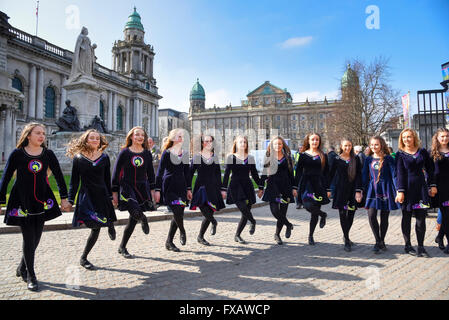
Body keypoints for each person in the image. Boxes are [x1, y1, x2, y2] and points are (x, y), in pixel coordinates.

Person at [0, 123, 70, 292]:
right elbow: (6, 177)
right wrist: (0, 199)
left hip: (42, 199)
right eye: (38, 133)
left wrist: (64, 198)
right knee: (28, 237)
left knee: (36, 237)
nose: (41, 136)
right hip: (21, 200)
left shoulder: (48, 154)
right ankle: (31, 275)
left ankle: (22, 267)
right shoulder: (17, 154)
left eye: (43, 134)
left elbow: (60, 176)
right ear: (28, 135)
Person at [66, 129, 117, 270]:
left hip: (102, 194)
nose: (95, 140)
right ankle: (108, 223)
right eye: (92, 138)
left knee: (96, 228)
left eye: (97, 138)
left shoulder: (105, 157)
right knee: (94, 224)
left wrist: (111, 195)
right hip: (87, 196)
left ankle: (84, 257)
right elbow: (74, 182)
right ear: (86, 140)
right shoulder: (78, 158)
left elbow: (107, 179)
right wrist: (70, 200)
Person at [112, 127, 155, 258]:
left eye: (143, 135)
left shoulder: (147, 153)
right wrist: (114, 192)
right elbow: (116, 172)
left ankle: (122, 247)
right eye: (137, 135)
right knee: (136, 213)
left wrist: (153, 190)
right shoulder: (124, 152)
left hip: (141, 188)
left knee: (132, 220)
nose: (140, 137)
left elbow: (151, 173)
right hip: (127, 188)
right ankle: (144, 218)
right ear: (131, 136)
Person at [395, 128, 436, 258]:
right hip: (406, 189)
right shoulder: (400, 154)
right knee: (406, 218)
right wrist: (400, 191)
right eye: (404, 137)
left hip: (421, 190)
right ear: (402, 139)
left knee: (420, 219)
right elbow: (399, 174)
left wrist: (432, 185)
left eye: (409, 137)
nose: (407, 139)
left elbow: (431, 169)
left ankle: (421, 246)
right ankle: (407, 245)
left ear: (414, 138)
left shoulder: (423, 152)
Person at [154, 129, 192, 252]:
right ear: (172, 139)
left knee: (179, 213)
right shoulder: (166, 153)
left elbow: (187, 173)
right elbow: (159, 172)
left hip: (181, 186)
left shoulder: (185, 154)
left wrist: (189, 189)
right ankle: (183, 231)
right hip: (169, 185)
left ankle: (169, 242)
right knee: (176, 211)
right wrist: (157, 190)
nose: (180, 138)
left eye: (181, 136)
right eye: (178, 136)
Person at [362, 136, 399, 254]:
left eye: (376, 144)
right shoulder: (368, 159)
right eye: (372, 145)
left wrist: (398, 189)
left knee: (384, 217)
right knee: (371, 215)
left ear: (382, 145)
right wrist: (361, 190)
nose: (374, 147)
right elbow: (364, 175)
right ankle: (377, 240)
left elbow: (394, 175)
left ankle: (382, 240)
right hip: (372, 189)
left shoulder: (388, 159)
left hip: (386, 188)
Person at [258, 136, 297, 245]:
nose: (278, 146)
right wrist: (260, 188)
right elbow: (264, 174)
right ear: (272, 146)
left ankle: (277, 235)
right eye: (275, 144)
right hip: (272, 187)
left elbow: (291, 175)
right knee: (275, 211)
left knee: (283, 212)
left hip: (285, 187)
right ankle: (288, 225)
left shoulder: (288, 157)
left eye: (280, 144)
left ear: (283, 145)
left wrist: (294, 187)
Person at [222, 135, 261, 244]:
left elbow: (254, 175)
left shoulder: (250, 157)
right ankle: (253, 221)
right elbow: (226, 175)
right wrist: (223, 189)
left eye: (245, 142)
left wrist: (261, 186)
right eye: (240, 142)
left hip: (247, 186)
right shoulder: (231, 157)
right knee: (243, 208)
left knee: (245, 212)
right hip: (235, 186)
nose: (243, 144)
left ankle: (237, 235)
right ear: (236, 144)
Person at [294, 133, 330, 246]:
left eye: (317, 140)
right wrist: (295, 186)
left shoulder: (323, 155)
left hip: (318, 185)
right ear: (308, 141)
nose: (315, 141)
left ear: (319, 141)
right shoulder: (303, 155)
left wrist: (328, 189)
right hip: (306, 184)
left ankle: (310, 236)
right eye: (312, 139)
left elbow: (327, 173)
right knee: (307, 205)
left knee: (314, 213)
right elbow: (298, 171)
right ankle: (323, 215)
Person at [328, 138, 363, 252]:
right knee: (343, 214)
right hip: (341, 190)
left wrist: (358, 190)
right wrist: (327, 188)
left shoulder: (355, 158)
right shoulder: (336, 159)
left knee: (351, 215)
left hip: (353, 190)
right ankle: (347, 239)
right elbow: (330, 174)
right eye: (345, 146)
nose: (348, 148)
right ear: (341, 147)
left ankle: (346, 235)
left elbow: (358, 175)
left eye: (349, 146)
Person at [189, 135, 225, 246]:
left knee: (209, 212)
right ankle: (214, 222)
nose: (208, 143)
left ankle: (200, 236)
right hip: (201, 189)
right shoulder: (197, 157)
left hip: (213, 189)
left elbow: (218, 174)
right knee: (204, 210)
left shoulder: (215, 157)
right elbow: (189, 174)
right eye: (206, 141)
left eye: (210, 141)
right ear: (202, 143)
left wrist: (221, 189)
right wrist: (188, 188)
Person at [430, 128, 449, 253]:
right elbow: (430, 173)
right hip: (441, 189)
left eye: (447, 136)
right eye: (442, 136)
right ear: (437, 138)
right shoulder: (432, 153)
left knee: (447, 215)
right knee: (447, 215)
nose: (445, 138)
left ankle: (439, 236)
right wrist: (432, 186)